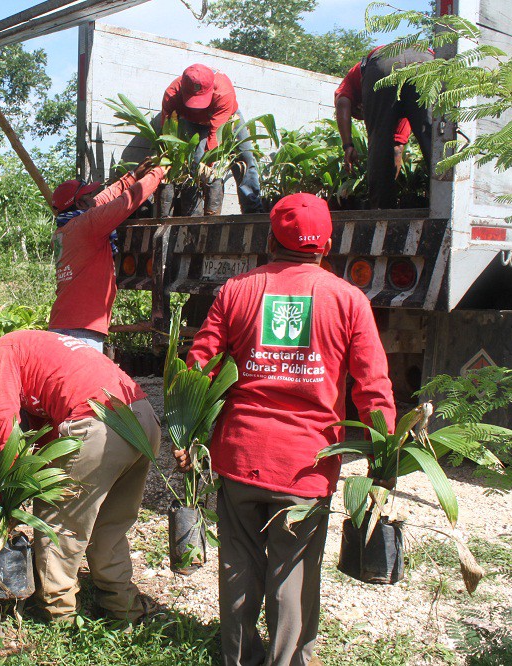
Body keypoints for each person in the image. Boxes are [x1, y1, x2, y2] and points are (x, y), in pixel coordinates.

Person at [177, 193, 396, 666]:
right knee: (291, 581)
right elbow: (373, 386)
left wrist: (190, 434)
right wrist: (385, 461)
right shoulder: (348, 300)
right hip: (305, 467)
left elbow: (200, 365)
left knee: (238, 574)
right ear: (327, 243)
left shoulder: (237, 290)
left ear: (271, 238)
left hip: (239, 458)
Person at [0, 330, 160, 622]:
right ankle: (122, 608)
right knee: (108, 527)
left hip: (101, 423)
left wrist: (7, 495)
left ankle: (57, 615)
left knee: (56, 523)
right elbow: (46, 432)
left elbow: (4, 421)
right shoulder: (32, 347)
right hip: (142, 419)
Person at [48, 159, 165, 352]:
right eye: (88, 195)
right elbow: (126, 202)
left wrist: (133, 176)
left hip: (62, 322)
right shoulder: (88, 224)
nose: (93, 197)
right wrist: (158, 173)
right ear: (80, 203)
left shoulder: (64, 230)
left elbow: (103, 200)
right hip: (82, 329)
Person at [335, 45, 434, 209]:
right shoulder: (401, 110)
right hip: (424, 62)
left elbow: (342, 103)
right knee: (433, 139)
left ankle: (381, 213)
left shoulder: (352, 81)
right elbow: (397, 149)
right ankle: (447, 203)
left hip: (382, 65)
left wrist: (348, 145)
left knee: (379, 142)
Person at [162, 63, 265, 214]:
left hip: (227, 117)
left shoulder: (224, 91)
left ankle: (252, 210)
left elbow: (216, 136)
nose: (197, 105)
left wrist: (210, 167)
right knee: (195, 160)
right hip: (192, 122)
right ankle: (194, 211)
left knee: (246, 157)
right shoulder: (172, 93)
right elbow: (167, 131)